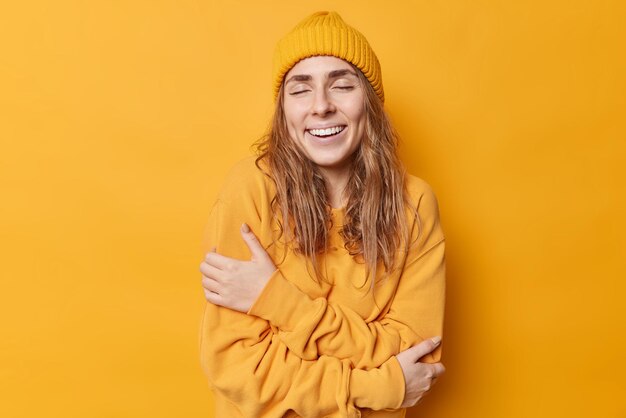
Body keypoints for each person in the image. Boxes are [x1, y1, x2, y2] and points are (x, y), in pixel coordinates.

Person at [198, 11, 446, 418]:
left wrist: (276, 301)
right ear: (283, 109)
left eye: (342, 85)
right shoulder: (251, 189)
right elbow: (237, 368)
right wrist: (380, 384)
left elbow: (416, 357)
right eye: (301, 89)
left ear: (369, 101)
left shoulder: (414, 204)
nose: (321, 107)